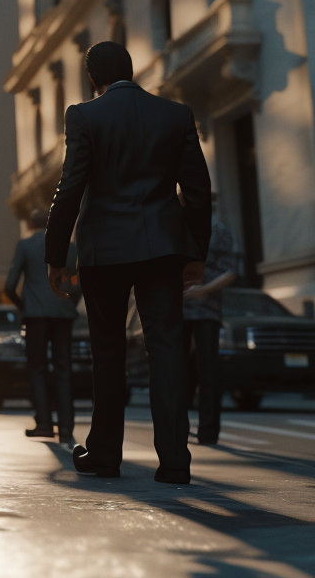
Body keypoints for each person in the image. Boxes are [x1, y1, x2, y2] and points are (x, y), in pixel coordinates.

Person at [45, 41, 211, 485]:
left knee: (108, 352)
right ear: (131, 70)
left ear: (92, 78)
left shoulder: (84, 116)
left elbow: (71, 186)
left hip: (104, 250)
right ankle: (175, 460)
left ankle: (104, 454)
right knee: (167, 347)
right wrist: (196, 256)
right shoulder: (175, 114)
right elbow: (197, 191)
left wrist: (56, 255)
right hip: (162, 248)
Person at [4, 208, 80, 448]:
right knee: (64, 368)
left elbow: (9, 285)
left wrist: (24, 306)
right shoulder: (71, 248)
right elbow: (76, 282)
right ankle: (67, 427)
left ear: (29, 224)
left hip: (35, 315)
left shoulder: (25, 246)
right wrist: (68, 301)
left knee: (37, 367)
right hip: (63, 313)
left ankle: (44, 423)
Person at [183, 193, 238, 445]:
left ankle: (180, 429)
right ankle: (207, 432)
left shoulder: (178, 228)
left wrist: (199, 290)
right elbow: (230, 273)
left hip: (189, 309)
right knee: (207, 372)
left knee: (181, 370)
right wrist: (204, 291)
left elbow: (230, 273)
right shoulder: (220, 229)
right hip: (203, 309)